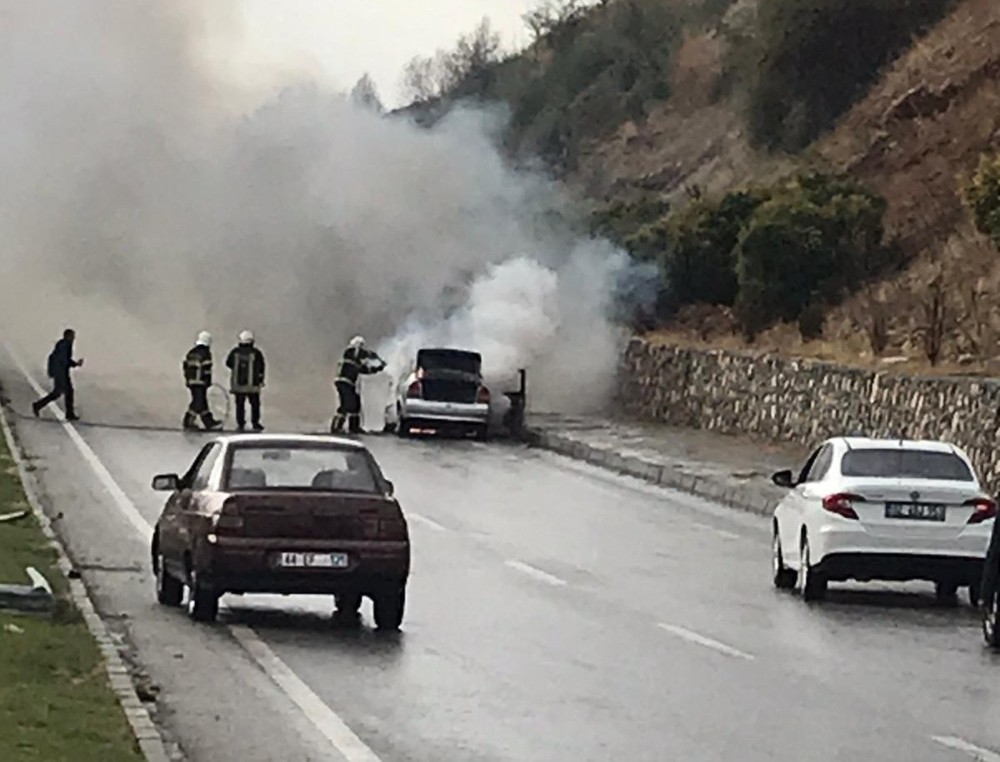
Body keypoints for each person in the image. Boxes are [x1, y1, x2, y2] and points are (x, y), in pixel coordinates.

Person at [331, 335, 385, 434]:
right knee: (346, 405)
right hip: (344, 382)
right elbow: (361, 353)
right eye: (361, 345)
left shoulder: (355, 359)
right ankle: (336, 427)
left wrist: (378, 368)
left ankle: (354, 427)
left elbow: (365, 370)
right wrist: (372, 355)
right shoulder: (349, 352)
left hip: (347, 384)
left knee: (355, 404)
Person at [32, 328, 83, 420]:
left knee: (65, 392)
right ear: (68, 336)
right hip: (60, 372)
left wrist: (74, 364)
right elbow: (63, 360)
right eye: (72, 336)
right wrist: (75, 364)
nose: (74, 338)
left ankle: (69, 413)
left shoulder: (64, 344)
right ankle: (38, 405)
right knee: (60, 392)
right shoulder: (65, 345)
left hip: (61, 371)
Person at [226, 330, 266, 432]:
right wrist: (260, 380)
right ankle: (255, 423)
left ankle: (240, 423)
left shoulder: (235, 352)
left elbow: (228, 363)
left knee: (239, 404)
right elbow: (261, 367)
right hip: (252, 386)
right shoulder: (256, 353)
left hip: (237, 385)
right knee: (255, 404)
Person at [182, 331, 223, 431]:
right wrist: (208, 381)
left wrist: (188, 380)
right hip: (201, 382)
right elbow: (206, 369)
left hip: (192, 382)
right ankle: (188, 421)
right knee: (198, 402)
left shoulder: (191, 353)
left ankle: (209, 422)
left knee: (202, 402)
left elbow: (185, 367)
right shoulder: (206, 354)